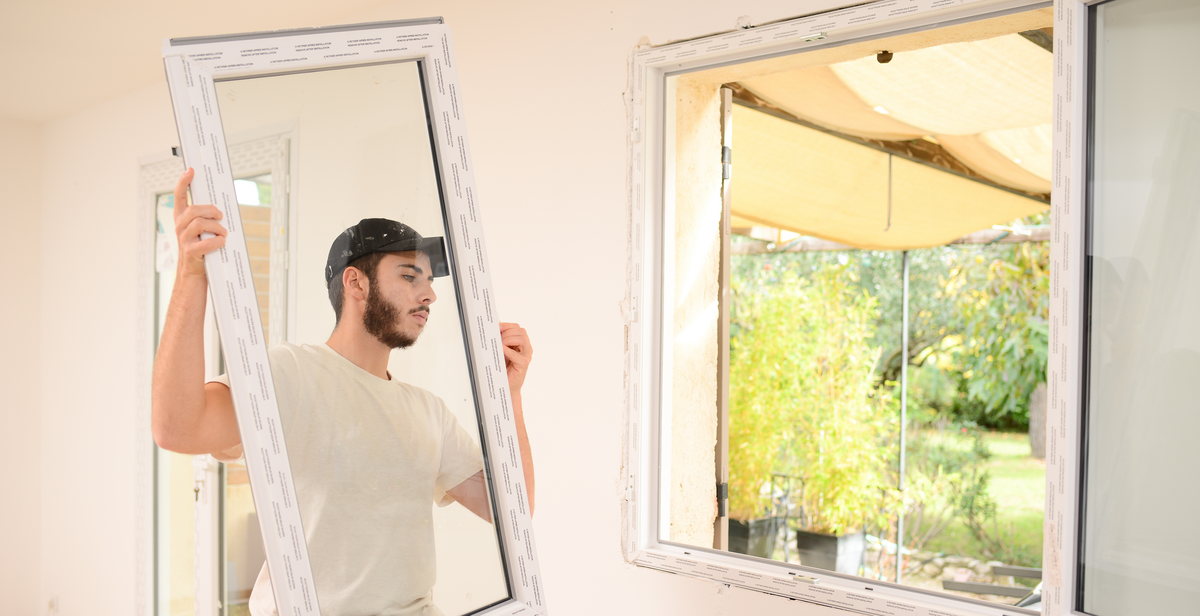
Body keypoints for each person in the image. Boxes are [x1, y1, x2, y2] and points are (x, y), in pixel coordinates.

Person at [151, 168, 534, 616]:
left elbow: (513, 511)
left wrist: (510, 398)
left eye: (429, 282)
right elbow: (177, 428)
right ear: (356, 283)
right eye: (411, 276)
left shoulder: (428, 412)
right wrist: (191, 274)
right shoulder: (287, 374)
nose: (429, 294)